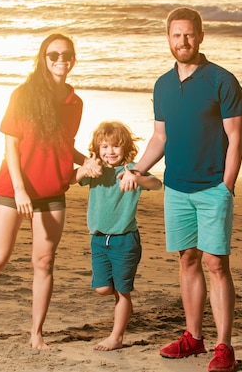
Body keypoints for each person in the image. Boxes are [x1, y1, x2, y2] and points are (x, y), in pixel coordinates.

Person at [120, 7, 242, 371]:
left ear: (201, 36)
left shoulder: (222, 80)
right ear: (168, 39)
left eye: (189, 34)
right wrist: (137, 167)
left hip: (212, 188)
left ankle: (224, 346)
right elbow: (160, 137)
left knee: (215, 263)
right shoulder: (162, 85)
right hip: (175, 188)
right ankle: (193, 337)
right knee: (187, 259)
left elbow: (235, 139)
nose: (183, 42)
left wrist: (227, 186)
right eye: (176, 35)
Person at [0, 33, 102, 350]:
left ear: (73, 59)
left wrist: (86, 161)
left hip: (52, 189)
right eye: (53, 55)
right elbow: (11, 144)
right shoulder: (23, 95)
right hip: (15, 188)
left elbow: (63, 145)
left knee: (44, 262)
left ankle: (36, 333)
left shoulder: (74, 102)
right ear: (43, 58)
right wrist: (20, 189)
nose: (60, 60)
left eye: (66, 55)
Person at [72, 121, 162, 351]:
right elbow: (74, 178)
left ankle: (117, 336)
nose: (109, 152)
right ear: (97, 148)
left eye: (115, 147)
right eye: (104, 146)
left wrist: (137, 178)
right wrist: (85, 167)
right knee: (102, 288)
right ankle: (123, 303)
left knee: (123, 292)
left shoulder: (132, 170)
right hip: (99, 239)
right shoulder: (95, 169)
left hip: (125, 240)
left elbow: (156, 184)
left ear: (125, 148)